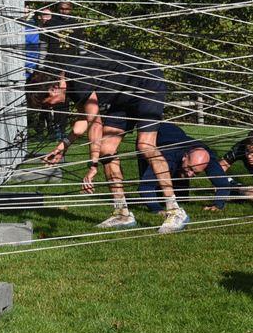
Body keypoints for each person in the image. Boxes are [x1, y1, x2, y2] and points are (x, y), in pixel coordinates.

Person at [27, 44, 189, 234]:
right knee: (106, 150)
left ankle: (175, 210)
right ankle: (122, 213)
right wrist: (63, 146)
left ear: (54, 89)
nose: (51, 107)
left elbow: (95, 123)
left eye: (48, 103)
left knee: (145, 145)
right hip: (122, 98)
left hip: (147, 85)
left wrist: (93, 166)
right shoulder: (70, 84)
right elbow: (84, 120)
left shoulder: (77, 79)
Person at [131, 123, 236, 214]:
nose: (190, 174)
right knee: (156, 191)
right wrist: (157, 209)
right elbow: (145, 186)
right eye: (190, 168)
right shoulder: (168, 157)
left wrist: (218, 205)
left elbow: (223, 184)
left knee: (182, 200)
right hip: (151, 138)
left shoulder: (207, 157)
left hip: (176, 136)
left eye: (195, 173)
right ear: (185, 157)